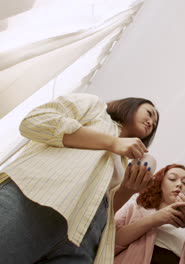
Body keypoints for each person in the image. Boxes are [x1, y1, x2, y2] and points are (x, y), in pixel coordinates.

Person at [0, 93, 159, 263]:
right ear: (130, 105)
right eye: (149, 113)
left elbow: (107, 210)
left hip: (84, 240)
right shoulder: (96, 108)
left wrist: (127, 190)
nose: (151, 122)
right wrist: (112, 142)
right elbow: (34, 122)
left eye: (154, 124)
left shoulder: (125, 160)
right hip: (35, 201)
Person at [114, 164, 185, 264]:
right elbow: (109, 243)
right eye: (172, 179)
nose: (179, 184)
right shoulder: (135, 208)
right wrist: (156, 219)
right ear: (160, 183)